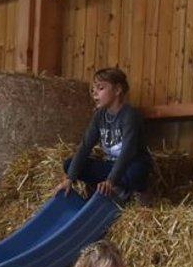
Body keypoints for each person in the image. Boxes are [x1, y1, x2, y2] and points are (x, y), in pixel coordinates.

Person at [53, 67, 152, 200]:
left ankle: (133, 191)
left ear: (117, 90)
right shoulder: (99, 116)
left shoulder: (129, 116)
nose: (94, 94)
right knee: (69, 165)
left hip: (130, 165)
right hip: (111, 166)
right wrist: (70, 178)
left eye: (100, 88)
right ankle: (113, 189)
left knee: (137, 172)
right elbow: (85, 147)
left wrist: (110, 180)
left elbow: (127, 152)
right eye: (93, 89)